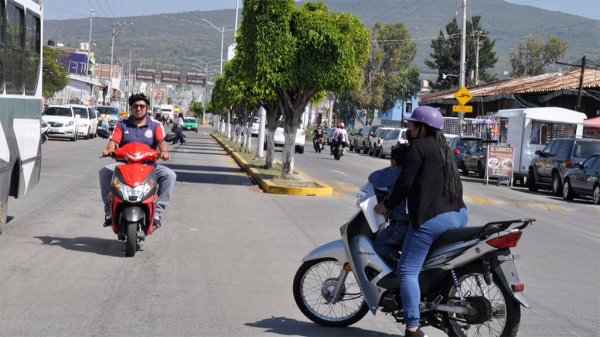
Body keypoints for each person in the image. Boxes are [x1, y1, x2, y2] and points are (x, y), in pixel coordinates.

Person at [374, 106, 467, 337]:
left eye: (411, 124)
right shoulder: (444, 148)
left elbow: (405, 184)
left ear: (422, 128)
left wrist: (385, 205)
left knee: (407, 270)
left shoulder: (418, 147)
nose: (408, 128)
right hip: (459, 214)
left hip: (432, 219)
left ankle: (413, 327)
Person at [99, 93, 176, 229]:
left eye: (142, 106)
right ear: (131, 108)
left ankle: (157, 213)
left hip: (149, 167)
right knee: (104, 172)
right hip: (124, 165)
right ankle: (109, 212)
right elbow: (114, 141)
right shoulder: (122, 124)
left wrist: (164, 152)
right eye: (135, 106)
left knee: (170, 175)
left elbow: (161, 142)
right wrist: (109, 150)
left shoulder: (155, 125)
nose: (138, 109)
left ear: (147, 108)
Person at [370, 145, 410, 264]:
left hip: (401, 225)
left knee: (377, 246)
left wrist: (390, 168)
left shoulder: (397, 173)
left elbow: (373, 177)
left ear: (393, 161)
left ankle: (398, 263)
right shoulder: (410, 172)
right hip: (412, 224)